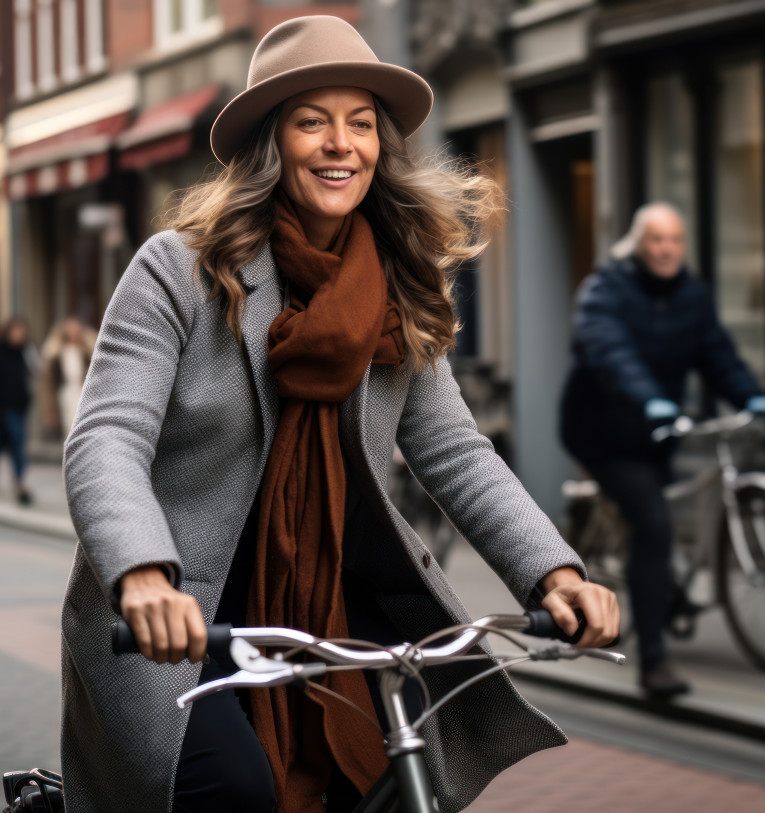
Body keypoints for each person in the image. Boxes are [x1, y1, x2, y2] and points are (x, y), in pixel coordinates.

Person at [60, 15, 619, 813]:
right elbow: (107, 437)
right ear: (270, 143)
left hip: (324, 600)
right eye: (311, 122)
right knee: (237, 788)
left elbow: (456, 451)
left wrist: (555, 572)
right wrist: (144, 572)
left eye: (360, 123)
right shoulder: (180, 271)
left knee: (388, 776)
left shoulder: (394, 287)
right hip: (182, 617)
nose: (339, 144)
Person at [559, 202, 765, 699]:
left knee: (655, 513)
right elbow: (611, 352)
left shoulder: (692, 296)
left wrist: (752, 396)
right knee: (653, 525)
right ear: (638, 245)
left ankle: (664, 590)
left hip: (658, 432)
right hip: (604, 431)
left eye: (674, 240)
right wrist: (649, 398)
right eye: (656, 240)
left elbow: (717, 354)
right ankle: (654, 661)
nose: (666, 249)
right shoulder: (604, 291)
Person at [0, 317, 34, 506]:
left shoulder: (24, 352)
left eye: (22, 331)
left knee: (18, 443)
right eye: (15, 331)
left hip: (18, 407)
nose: (19, 335)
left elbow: (28, 375)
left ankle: (19, 482)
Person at [39, 317, 95, 437]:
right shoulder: (58, 352)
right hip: (66, 392)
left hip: (83, 390)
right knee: (69, 424)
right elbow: (49, 380)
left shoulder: (85, 350)